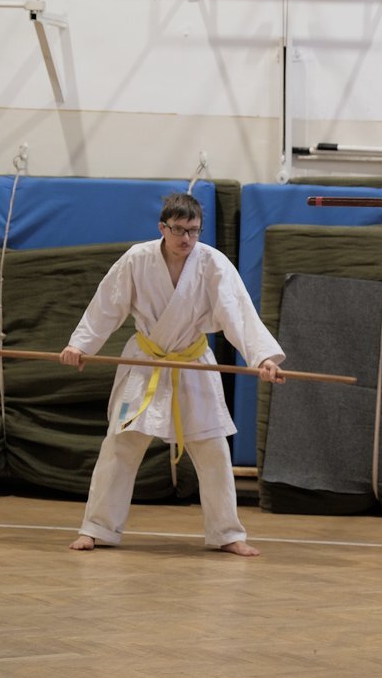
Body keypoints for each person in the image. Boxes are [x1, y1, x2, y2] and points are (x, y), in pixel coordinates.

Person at [60, 193, 285, 557]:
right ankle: (97, 528)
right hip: (145, 360)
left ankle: (228, 533)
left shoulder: (213, 264)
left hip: (192, 361)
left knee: (212, 448)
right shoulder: (137, 259)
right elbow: (107, 305)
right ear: (162, 227)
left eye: (194, 231)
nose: (187, 240)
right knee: (120, 444)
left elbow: (238, 315)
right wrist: (81, 346)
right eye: (179, 230)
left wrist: (263, 358)